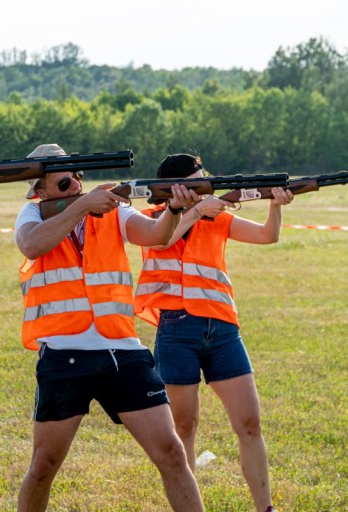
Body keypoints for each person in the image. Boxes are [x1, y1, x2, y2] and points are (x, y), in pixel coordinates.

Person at [14, 143, 205, 512]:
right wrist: (83, 206)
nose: (75, 188)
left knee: (172, 454)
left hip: (123, 350)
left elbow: (156, 235)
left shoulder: (111, 209)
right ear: (40, 191)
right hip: (64, 356)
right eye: (64, 183)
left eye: (77, 179)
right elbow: (31, 245)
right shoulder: (32, 213)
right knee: (43, 467)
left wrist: (174, 209)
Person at [134, 154, 293, 512]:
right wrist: (194, 211)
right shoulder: (151, 221)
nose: (209, 184)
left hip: (222, 328)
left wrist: (276, 205)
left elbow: (269, 236)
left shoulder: (217, 217)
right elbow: (161, 240)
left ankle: (266, 508)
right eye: (200, 180)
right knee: (183, 427)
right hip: (176, 331)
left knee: (250, 423)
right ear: (177, 187)